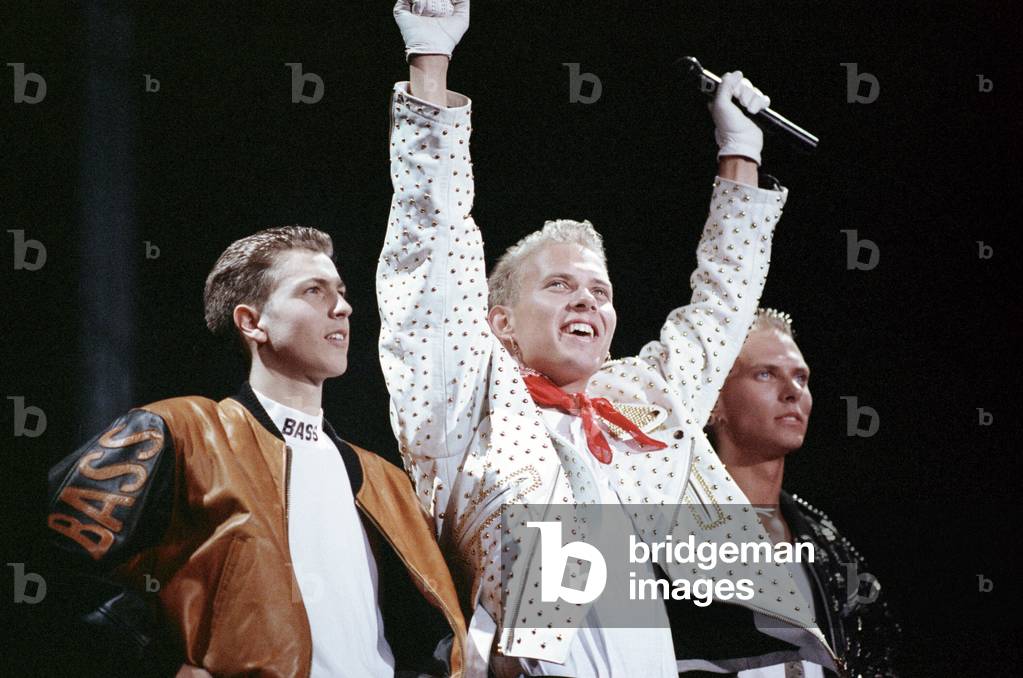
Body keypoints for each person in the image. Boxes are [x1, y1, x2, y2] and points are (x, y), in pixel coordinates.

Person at [381, 2, 835, 676]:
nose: (588, 301)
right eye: (559, 286)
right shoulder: (466, 403)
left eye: (600, 292)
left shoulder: (634, 408)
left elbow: (717, 313)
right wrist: (430, 56)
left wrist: (739, 149)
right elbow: (435, 239)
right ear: (499, 323)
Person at [41, 226, 465, 677]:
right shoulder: (183, 431)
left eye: (340, 292)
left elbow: (430, 633)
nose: (343, 307)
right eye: (314, 291)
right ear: (252, 322)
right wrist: (158, 664)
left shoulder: (385, 480)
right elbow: (46, 565)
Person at [669, 308, 900, 677]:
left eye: (801, 377)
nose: (792, 392)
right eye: (765, 374)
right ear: (715, 402)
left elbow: (875, 652)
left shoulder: (825, 537)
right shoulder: (667, 526)